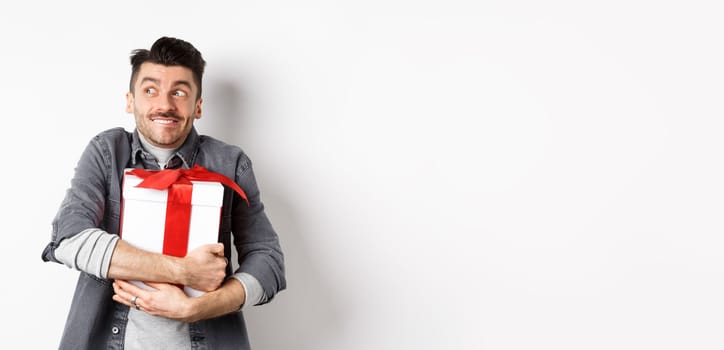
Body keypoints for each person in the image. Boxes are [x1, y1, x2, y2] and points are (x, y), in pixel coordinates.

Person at [41, 36, 286, 350]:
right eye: (150, 90)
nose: (165, 105)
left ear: (198, 106)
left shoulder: (230, 163)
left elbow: (268, 261)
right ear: (130, 100)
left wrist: (196, 308)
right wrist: (184, 271)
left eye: (179, 92)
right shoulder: (107, 152)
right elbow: (68, 239)